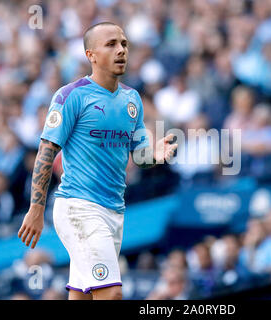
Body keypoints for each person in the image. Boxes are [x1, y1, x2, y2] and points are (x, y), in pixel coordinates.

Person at [17, 22, 178, 300]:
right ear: (91, 55)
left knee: (83, 295)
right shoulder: (71, 96)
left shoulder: (132, 99)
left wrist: (154, 155)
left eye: (124, 44)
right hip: (79, 208)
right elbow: (46, 152)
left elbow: (139, 157)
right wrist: (36, 209)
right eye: (111, 44)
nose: (121, 50)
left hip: (113, 211)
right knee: (111, 294)